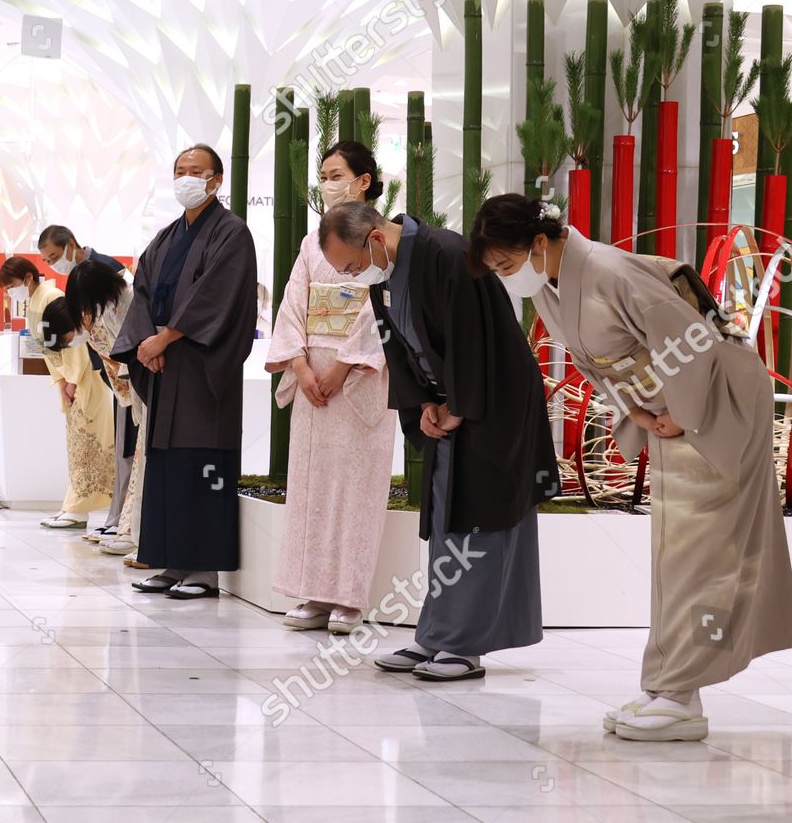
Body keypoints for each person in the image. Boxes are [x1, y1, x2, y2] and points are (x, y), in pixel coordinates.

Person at [471, 193, 792, 738]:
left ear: (540, 243)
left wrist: (678, 415)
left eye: (507, 265)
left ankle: (682, 697)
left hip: (715, 404)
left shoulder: (606, 268)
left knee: (699, 553)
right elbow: (596, 363)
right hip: (672, 407)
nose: (506, 277)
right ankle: (669, 685)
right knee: (676, 551)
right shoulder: (553, 284)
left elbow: (692, 337)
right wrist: (641, 411)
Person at [318, 200, 555, 681]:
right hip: (451, 403)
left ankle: (464, 647)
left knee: (482, 522)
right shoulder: (382, 271)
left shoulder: (446, 253)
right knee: (448, 516)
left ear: (375, 240)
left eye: (351, 266)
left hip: (494, 403)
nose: (352, 276)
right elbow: (398, 345)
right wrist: (424, 403)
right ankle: (436, 634)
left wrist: (459, 406)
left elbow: (476, 340)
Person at [265, 142, 399, 634]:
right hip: (312, 381)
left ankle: (349, 597)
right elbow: (292, 304)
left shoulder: (380, 240)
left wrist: (342, 367)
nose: (326, 182)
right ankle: (312, 591)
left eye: (336, 173)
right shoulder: (310, 242)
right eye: (322, 174)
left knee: (354, 491)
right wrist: (299, 366)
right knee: (311, 488)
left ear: (364, 180)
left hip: (360, 380)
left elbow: (381, 311)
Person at [113, 144, 257, 599]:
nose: (186, 178)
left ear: (216, 181)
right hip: (164, 364)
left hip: (201, 367)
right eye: (179, 170)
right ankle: (171, 561)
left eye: (196, 171)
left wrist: (167, 337)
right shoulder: (167, 236)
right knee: (166, 464)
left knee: (203, 463)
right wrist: (143, 344)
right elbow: (141, 291)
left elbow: (217, 296)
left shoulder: (233, 234)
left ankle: (203, 570)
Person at [0, 257, 115, 529]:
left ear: (27, 278)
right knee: (78, 444)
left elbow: (71, 341)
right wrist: (62, 380)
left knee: (88, 442)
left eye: (11, 285)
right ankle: (74, 505)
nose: (9, 292)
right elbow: (51, 348)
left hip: (85, 380)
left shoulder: (50, 297)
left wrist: (71, 379)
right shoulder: (36, 301)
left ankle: (80, 507)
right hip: (69, 380)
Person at [39, 224, 135, 543]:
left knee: (125, 449)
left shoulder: (107, 271)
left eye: (54, 256)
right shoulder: (79, 277)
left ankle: (125, 520)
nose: (53, 263)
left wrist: (78, 375)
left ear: (70, 244)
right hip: (109, 371)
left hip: (119, 371)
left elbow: (114, 327)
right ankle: (118, 517)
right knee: (119, 449)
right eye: (47, 259)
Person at [63, 260, 146, 559]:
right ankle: (125, 527)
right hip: (132, 386)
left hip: (142, 383)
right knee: (136, 460)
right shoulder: (114, 301)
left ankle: (132, 530)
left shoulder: (129, 297)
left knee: (140, 461)